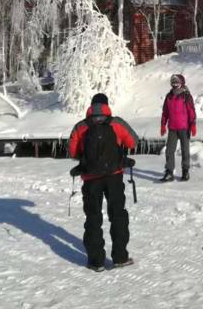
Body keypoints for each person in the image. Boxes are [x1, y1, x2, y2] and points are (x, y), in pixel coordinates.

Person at [69, 93, 139, 272]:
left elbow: (72, 151)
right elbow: (133, 142)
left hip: (91, 179)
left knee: (93, 218)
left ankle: (96, 261)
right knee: (118, 216)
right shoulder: (116, 123)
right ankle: (120, 257)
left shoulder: (81, 126)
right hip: (114, 176)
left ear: (91, 106)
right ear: (107, 106)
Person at [160, 74, 196, 182]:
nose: (175, 85)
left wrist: (193, 124)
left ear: (182, 83)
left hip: (184, 128)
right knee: (169, 151)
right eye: (173, 82)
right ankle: (169, 172)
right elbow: (165, 112)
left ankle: (185, 171)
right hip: (172, 128)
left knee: (185, 151)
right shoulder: (169, 96)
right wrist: (163, 125)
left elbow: (192, 111)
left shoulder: (186, 96)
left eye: (177, 82)